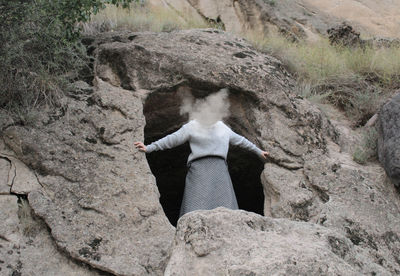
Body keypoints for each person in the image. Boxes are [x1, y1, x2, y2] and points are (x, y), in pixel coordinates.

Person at [134, 119, 269, 217]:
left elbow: (242, 141)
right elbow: (172, 139)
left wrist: (259, 152)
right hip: (199, 170)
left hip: (219, 170)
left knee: (226, 209)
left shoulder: (222, 127)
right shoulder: (192, 126)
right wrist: (149, 148)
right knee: (195, 208)